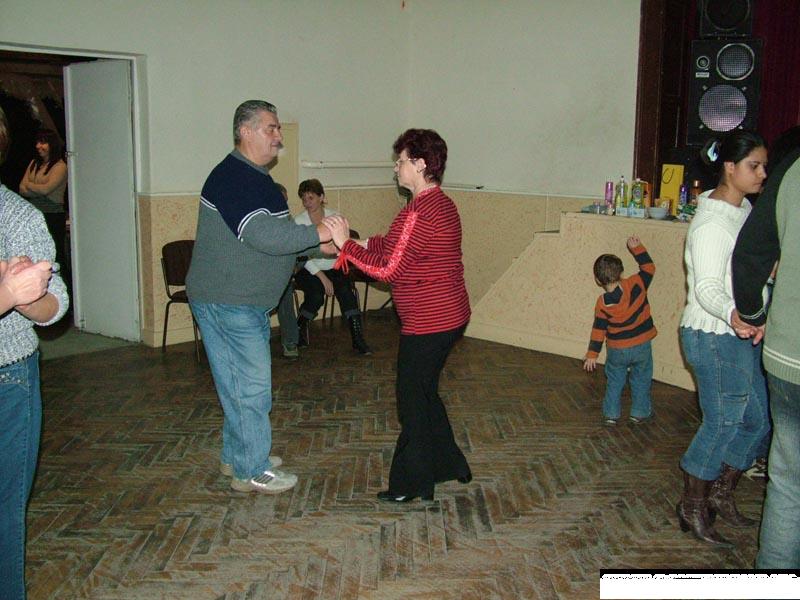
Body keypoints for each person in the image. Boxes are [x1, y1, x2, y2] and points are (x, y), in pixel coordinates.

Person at [186, 100, 333, 495]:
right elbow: (263, 235)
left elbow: (279, 237)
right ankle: (252, 471)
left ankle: (237, 456)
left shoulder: (255, 178)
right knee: (250, 389)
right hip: (228, 300)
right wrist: (319, 232)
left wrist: (318, 247)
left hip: (237, 300)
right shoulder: (233, 177)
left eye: (278, 128)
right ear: (245, 131)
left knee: (237, 385)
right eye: (271, 128)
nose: (279, 137)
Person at [324, 128, 472, 503]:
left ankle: (411, 484)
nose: (395, 167)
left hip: (430, 322)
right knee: (424, 393)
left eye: (401, 161)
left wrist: (346, 246)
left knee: (412, 402)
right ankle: (450, 464)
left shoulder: (421, 211)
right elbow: (393, 245)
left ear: (420, 164)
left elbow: (388, 269)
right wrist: (352, 243)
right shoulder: (437, 204)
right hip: (448, 316)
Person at [675, 130, 771, 548]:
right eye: (754, 166)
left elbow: (747, 267)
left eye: (764, 165)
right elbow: (707, 288)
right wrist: (735, 313)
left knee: (757, 421)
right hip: (712, 333)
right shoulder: (712, 223)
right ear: (729, 168)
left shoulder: (743, 209)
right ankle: (692, 505)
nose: (762, 174)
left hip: (739, 332)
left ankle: (719, 492)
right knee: (721, 424)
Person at [0, 107, 69, 600]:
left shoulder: (16, 216)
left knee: (6, 508)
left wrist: (27, 296)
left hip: (9, 377)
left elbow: (54, 306)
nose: (41, 149)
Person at [731, 126, 800, 568]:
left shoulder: (793, 172)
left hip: (789, 353)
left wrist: (755, 314)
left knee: (788, 483)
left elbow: (750, 254)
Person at [583, 235, 657, 426]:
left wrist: (592, 354)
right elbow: (649, 267)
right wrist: (637, 248)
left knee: (615, 380)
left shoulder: (602, 303)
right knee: (641, 378)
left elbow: (598, 330)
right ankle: (639, 412)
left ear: (598, 280)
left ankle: (611, 414)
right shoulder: (636, 283)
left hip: (617, 349)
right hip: (642, 345)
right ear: (621, 272)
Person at [293, 178, 371, 355]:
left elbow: (342, 245)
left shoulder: (334, 217)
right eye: (304, 199)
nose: (307, 203)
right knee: (316, 295)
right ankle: (299, 327)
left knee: (346, 293)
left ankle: (358, 339)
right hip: (309, 269)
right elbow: (303, 255)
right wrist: (322, 276)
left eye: (311, 198)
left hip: (334, 266)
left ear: (321, 197)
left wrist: (336, 268)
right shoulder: (299, 221)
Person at [18, 129, 69, 286]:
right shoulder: (34, 164)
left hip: (53, 215)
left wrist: (30, 186)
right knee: (36, 254)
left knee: (56, 255)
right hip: (36, 213)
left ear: (52, 144)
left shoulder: (60, 167)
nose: (38, 146)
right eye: (37, 142)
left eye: (43, 142)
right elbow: (21, 188)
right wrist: (36, 189)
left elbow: (47, 189)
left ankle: (63, 289)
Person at [273, 183, 300, 359]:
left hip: (283, 269)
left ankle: (290, 341)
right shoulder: (261, 219)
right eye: (282, 201)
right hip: (263, 271)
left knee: (285, 291)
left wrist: (292, 264)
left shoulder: (288, 219)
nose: (285, 206)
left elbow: (295, 244)